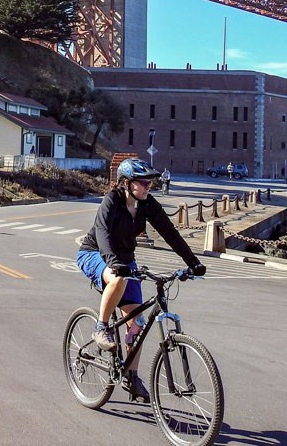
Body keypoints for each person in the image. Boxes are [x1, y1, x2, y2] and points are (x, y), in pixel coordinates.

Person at [77, 158, 206, 403]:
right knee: (117, 280)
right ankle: (101, 327)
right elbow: (102, 233)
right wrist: (112, 262)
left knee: (136, 322)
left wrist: (192, 262)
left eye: (150, 183)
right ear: (126, 183)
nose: (148, 186)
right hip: (95, 253)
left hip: (126, 259)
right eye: (143, 182)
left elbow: (169, 232)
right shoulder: (111, 201)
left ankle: (131, 376)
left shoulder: (147, 204)